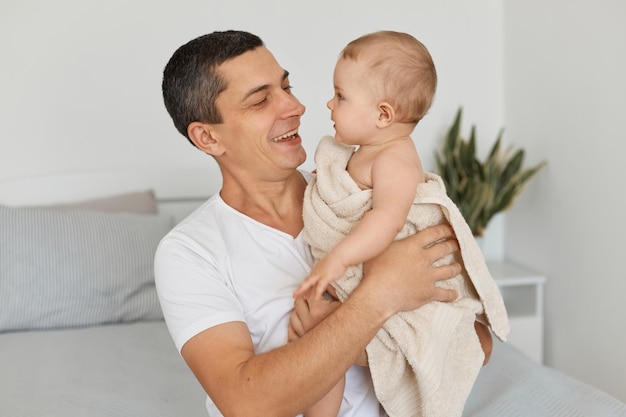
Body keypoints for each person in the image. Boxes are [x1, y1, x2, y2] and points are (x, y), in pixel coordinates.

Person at [156, 30, 491, 417]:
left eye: (287, 86)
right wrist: (379, 296)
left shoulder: (365, 203)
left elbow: (478, 345)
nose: (296, 106)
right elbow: (245, 403)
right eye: (262, 99)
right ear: (208, 138)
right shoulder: (190, 252)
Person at [293, 31, 509, 417]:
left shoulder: (394, 159)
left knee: (324, 341)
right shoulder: (364, 152)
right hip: (368, 277)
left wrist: (338, 259)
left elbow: (388, 221)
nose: (329, 102)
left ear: (383, 115)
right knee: (321, 348)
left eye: (340, 95)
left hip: (389, 275)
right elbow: (341, 194)